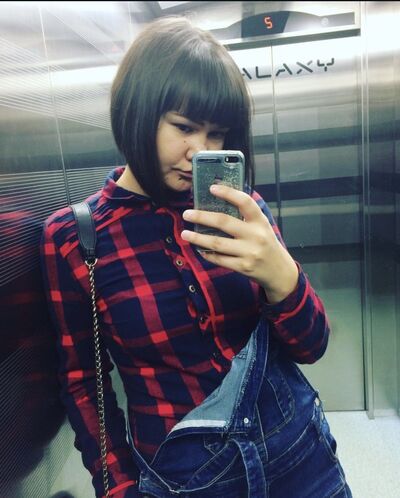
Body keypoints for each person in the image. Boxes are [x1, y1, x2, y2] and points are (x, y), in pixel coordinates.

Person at [40, 16, 352, 498]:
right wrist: (118, 487)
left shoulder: (245, 212)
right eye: (183, 127)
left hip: (299, 457)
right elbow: (84, 385)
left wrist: (282, 277)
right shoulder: (75, 238)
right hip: (185, 479)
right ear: (136, 112)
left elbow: (311, 347)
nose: (200, 151)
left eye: (217, 134)